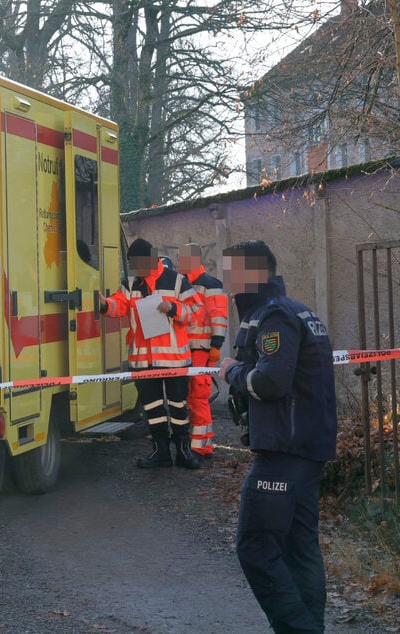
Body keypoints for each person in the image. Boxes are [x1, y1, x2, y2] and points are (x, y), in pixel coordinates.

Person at [217, 240, 337, 633]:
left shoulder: (276, 316)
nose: (228, 280)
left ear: (256, 273)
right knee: (299, 548)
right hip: (306, 447)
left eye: (233, 271)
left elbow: (271, 381)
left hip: (284, 450)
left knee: (255, 546)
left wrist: (232, 371)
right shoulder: (296, 310)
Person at [97, 238, 203, 469]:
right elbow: (119, 305)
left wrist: (173, 308)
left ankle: (183, 452)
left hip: (174, 360)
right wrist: (104, 305)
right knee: (153, 410)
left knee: (178, 408)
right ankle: (161, 453)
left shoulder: (177, 281)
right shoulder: (131, 284)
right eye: (132, 263)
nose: (135, 268)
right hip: (142, 362)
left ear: (153, 259)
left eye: (138, 263)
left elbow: (195, 313)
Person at [177, 243, 228, 458]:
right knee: (186, 397)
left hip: (201, 350)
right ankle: (192, 442)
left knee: (198, 397)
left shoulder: (210, 284)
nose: (180, 262)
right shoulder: (181, 283)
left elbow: (218, 315)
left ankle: (201, 446)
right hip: (182, 350)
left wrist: (216, 345)